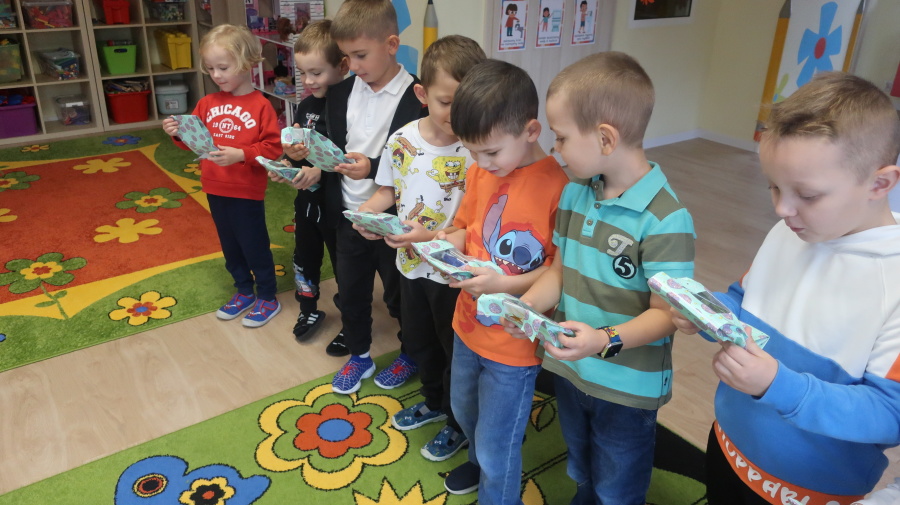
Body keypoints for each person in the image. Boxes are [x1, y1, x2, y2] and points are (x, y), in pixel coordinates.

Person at [671, 72, 900, 505]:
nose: (781, 208)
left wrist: (777, 384)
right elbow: (744, 301)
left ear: (880, 184)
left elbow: (889, 414)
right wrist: (708, 311)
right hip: (729, 445)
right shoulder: (789, 231)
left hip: (807, 489)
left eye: (807, 195)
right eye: (774, 186)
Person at [505, 52, 695, 505]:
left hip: (627, 386)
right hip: (572, 368)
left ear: (606, 138)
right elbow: (559, 270)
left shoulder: (666, 219)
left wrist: (602, 340)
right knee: (581, 466)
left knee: (618, 485)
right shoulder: (574, 193)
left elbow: (666, 315)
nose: (555, 148)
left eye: (562, 137)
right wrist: (527, 307)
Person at [439, 59, 570, 504]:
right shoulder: (481, 170)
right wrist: (445, 245)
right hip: (467, 324)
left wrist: (503, 284)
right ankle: (478, 463)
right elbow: (465, 226)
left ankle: (496, 486)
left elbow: (558, 270)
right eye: (472, 151)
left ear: (531, 131)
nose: (480, 163)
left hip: (514, 343)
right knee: (464, 408)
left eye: (491, 152)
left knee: (499, 443)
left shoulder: (559, 188)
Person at [354, 35, 485, 462]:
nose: (457, 114)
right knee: (418, 341)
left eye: (467, 103)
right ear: (422, 95)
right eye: (447, 102)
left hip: (454, 274)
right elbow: (387, 191)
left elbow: (478, 220)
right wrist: (368, 216)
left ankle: (458, 422)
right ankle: (433, 402)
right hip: (410, 266)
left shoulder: (478, 149)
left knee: (454, 353)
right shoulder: (402, 140)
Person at [324, 0, 429, 393]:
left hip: (396, 221)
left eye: (361, 55)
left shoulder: (418, 97)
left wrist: (370, 166)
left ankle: (411, 352)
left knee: (401, 297)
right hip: (349, 215)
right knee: (351, 293)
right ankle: (359, 355)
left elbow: (419, 162)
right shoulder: (341, 92)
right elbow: (335, 145)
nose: (353, 65)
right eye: (346, 57)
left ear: (391, 44)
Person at [162, 24, 282, 328]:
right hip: (214, 188)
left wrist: (241, 154)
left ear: (247, 62)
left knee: (253, 244)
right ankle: (243, 290)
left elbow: (273, 148)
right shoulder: (206, 103)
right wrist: (177, 132)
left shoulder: (261, 106)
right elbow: (193, 140)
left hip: (246, 190)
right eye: (211, 68)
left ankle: (268, 296)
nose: (216, 75)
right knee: (230, 245)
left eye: (223, 67)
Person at [268, 20, 348, 342]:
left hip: (338, 206)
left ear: (342, 66)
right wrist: (286, 163)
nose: (309, 81)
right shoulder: (306, 105)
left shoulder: (350, 107)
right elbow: (298, 150)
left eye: (317, 72)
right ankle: (308, 307)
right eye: (303, 73)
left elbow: (353, 157)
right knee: (304, 256)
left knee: (344, 264)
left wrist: (321, 170)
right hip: (306, 202)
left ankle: (352, 319)